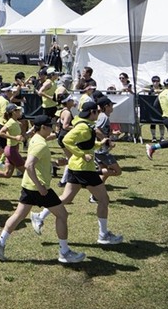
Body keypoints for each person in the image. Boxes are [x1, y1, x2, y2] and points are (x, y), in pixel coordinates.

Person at [0, 115, 86, 263]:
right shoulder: (40, 144)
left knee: (18, 215)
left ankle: (0, 241)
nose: (53, 128)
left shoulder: (35, 139)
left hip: (28, 186)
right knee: (62, 215)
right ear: (43, 128)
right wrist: (41, 187)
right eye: (50, 126)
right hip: (39, 187)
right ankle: (64, 252)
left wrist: (55, 163)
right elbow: (29, 165)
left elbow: (37, 162)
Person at [32, 100, 124, 245]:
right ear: (92, 112)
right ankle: (103, 235)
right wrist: (81, 154)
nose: (98, 114)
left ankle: (40, 216)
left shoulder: (86, 125)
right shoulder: (83, 127)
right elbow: (67, 140)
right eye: (97, 111)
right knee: (104, 199)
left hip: (76, 167)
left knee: (66, 197)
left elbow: (86, 143)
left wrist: (100, 144)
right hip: (83, 168)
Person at [147, 76, 168, 159]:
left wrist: (165, 112)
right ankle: (152, 147)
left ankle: (153, 147)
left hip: (167, 119)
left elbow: (155, 105)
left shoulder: (162, 94)